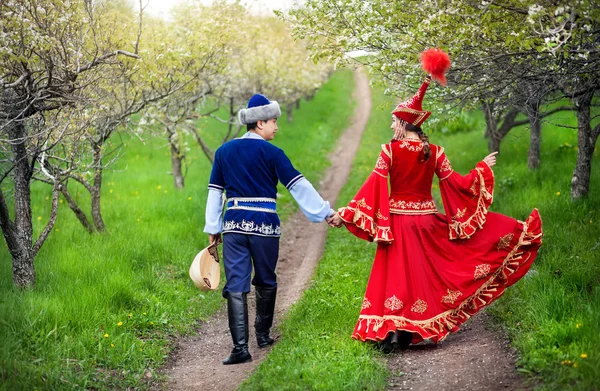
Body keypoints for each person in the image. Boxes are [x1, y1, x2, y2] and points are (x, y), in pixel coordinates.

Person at [328, 74, 543, 352]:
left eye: (394, 120)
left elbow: (373, 187)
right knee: (423, 275)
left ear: (405, 123)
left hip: (398, 223)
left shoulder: (389, 152)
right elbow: (458, 185)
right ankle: (406, 331)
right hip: (427, 221)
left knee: (398, 276)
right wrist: (480, 171)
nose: (392, 125)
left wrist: (346, 213)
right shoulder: (436, 152)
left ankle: (394, 332)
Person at [204, 94, 336, 365]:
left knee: (237, 283)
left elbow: (215, 193)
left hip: (233, 225)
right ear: (260, 122)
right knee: (265, 279)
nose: (277, 127)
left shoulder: (223, 151)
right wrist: (325, 212)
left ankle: (240, 348)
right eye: (274, 121)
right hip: (264, 225)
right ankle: (262, 335)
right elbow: (298, 186)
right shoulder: (273, 153)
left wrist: (213, 227)